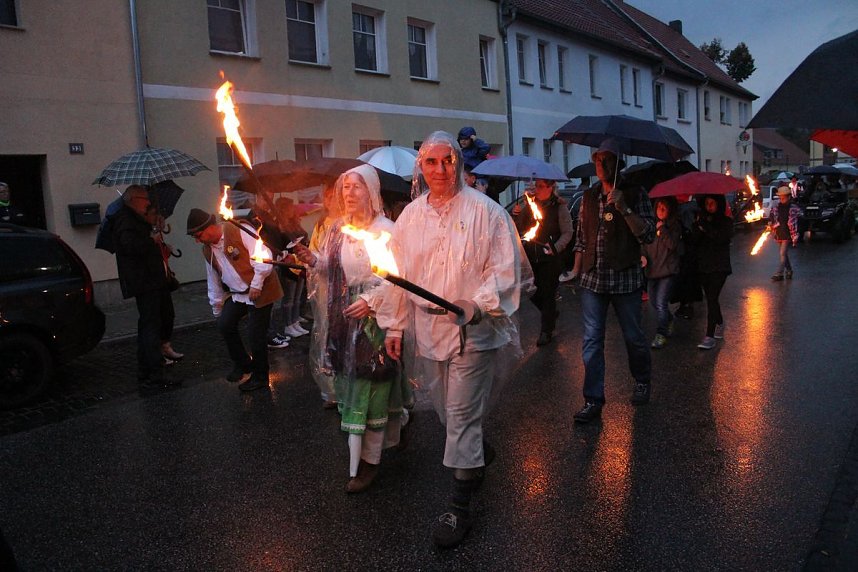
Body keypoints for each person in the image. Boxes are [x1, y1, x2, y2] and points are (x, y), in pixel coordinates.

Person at [377, 131, 526, 548]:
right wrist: (394, 325)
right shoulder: (410, 218)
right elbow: (396, 275)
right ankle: (475, 448)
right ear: (420, 168)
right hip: (428, 332)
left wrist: (475, 303)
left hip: (473, 334)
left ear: (458, 163)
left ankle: (460, 507)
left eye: (448, 161)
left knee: (459, 417)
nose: (440, 170)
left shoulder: (488, 213)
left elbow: (504, 271)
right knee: (446, 413)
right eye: (431, 162)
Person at [294, 164, 413, 493]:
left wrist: (372, 302)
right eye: (345, 187)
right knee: (352, 387)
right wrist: (312, 259)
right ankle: (398, 426)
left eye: (356, 187)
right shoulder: (337, 230)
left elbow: (399, 281)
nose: (348, 193)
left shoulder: (387, 230)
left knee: (370, 387)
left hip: (376, 323)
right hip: (342, 319)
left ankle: (368, 463)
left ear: (372, 192)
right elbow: (329, 267)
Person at [570, 138, 655, 423]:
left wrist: (624, 208)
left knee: (633, 336)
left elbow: (648, 235)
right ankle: (593, 400)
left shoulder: (635, 193)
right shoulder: (589, 196)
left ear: (619, 163)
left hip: (625, 279)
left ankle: (642, 380)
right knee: (592, 341)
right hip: (593, 280)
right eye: (597, 159)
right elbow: (582, 239)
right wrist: (575, 271)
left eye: (607, 159)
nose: (601, 164)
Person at [187, 207, 283, 391]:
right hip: (238, 294)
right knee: (225, 324)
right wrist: (217, 306)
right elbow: (213, 279)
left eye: (199, 235)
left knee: (256, 335)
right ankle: (243, 364)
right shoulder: (208, 250)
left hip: (260, 289)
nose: (197, 240)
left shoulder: (238, 229)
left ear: (210, 227)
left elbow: (264, 256)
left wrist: (256, 284)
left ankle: (261, 377)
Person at [110, 185, 178, 391]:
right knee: (150, 327)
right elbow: (130, 246)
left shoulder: (134, 218)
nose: (148, 201)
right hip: (145, 282)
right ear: (134, 199)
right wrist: (151, 240)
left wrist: (155, 228)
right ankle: (153, 375)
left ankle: (148, 372)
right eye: (145, 198)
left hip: (153, 280)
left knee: (155, 323)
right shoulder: (125, 219)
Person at [512, 179, 574, 346]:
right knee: (531, 291)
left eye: (540, 186)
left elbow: (568, 232)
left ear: (550, 188)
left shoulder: (559, 207)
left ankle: (546, 331)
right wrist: (516, 214)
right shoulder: (531, 205)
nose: (536, 189)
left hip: (550, 258)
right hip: (532, 257)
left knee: (548, 294)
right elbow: (519, 229)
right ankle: (550, 314)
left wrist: (556, 247)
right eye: (536, 185)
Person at [307, 182, 342, 408]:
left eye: (334, 196)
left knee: (340, 336)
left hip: (340, 289)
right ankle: (330, 390)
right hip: (322, 288)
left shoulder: (348, 226)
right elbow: (312, 253)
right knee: (324, 334)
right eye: (327, 197)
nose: (330, 201)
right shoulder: (320, 224)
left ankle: (344, 388)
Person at [692, 195, 733, 350]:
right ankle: (720, 322)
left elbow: (721, 238)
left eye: (712, 203)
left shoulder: (726, 222)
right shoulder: (700, 220)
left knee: (712, 298)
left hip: (719, 267)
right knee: (711, 298)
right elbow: (694, 240)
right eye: (707, 203)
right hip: (704, 266)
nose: (709, 206)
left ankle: (709, 335)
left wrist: (706, 228)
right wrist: (698, 226)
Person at [641, 197, 681, 349]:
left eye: (664, 208)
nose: (661, 210)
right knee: (653, 302)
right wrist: (643, 256)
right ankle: (669, 320)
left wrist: (662, 230)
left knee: (661, 303)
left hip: (667, 271)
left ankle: (661, 334)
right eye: (659, 207)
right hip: (652, 270)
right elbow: (644, 244)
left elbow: (672, 245)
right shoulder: (650, 225)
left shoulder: (673, 226)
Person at [268, 197, 309, 346]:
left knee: (297, 296)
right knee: (290, 297)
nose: (294, 210)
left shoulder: (293, 223)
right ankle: (288, 324)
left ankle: (294, 322)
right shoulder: (279, 225)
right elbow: (281, 244)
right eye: (291, 207)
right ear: (284, 208)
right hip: (288, 264)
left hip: (299, 262)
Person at [768, 186, 800, 281]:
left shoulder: (793, 208)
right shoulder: (776, 207)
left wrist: (795, 235)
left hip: (787, 233)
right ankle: (789, 270)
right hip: (779, 232)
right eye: (780, 197)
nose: (782, 199)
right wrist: (771, 223)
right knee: (784, 254)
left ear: (788, 197)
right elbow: (772, 217)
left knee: (782, 253)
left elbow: (795, 220)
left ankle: (779, 273)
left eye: (784, 197)